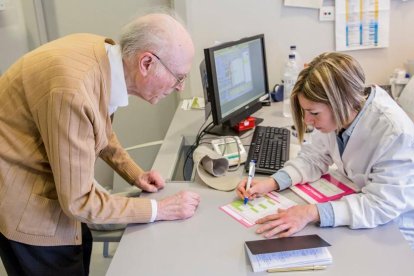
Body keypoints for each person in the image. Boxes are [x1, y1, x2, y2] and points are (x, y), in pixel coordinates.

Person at [0, 12, 200, 275]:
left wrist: (134, 174)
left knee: (81, 251)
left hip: (57, 183)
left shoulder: (105, 56)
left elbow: (95, 126)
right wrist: (158, 209)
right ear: (147, 62)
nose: (179, 88)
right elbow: (79, 201)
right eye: (179, 77)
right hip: (25, 205)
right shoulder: (74, 90)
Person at [237, 52, 414, 249]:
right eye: (305, 112)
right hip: (360, 202)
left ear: (342, 102)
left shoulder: (395, 133)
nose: (307, 121)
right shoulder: (342, 114)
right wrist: (271, 183)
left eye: (314, 113)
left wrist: (311, 212)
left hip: (395, 232)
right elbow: (313, 157)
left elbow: (382, 205)